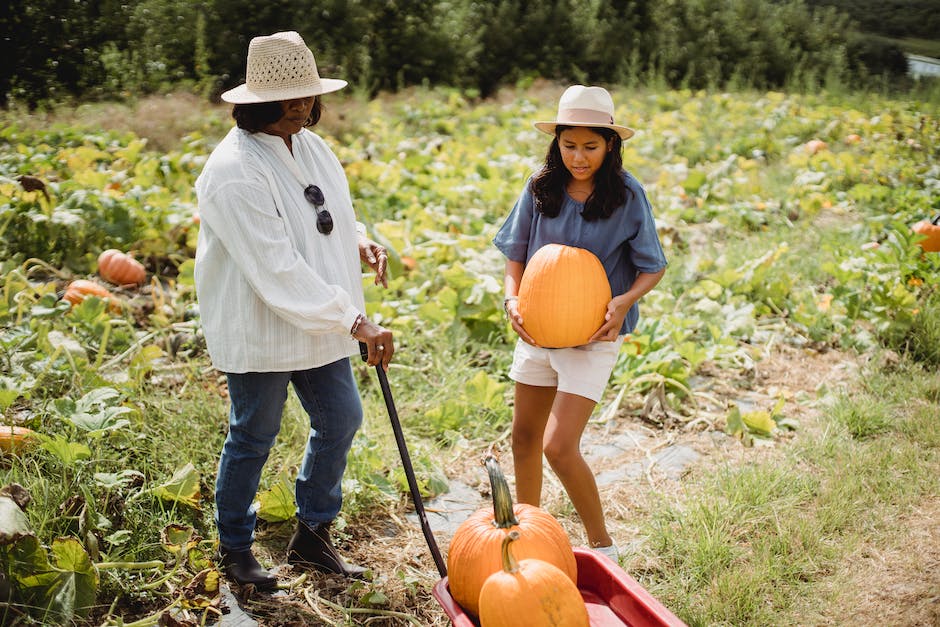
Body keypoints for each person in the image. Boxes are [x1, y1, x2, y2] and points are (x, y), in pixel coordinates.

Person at [194, 31, 394, 590]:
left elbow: (322, 209)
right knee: (255, 432)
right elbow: (275, 267)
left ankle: (312, 535)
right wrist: (355, 320)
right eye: (291, 97)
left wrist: (356, 238)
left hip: (319, 316)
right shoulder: (234, 170)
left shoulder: (308, 144)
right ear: (256, 100)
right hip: (262, 320)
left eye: (309, 94)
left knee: (341, 418)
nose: (304, 106)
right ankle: (234, 546)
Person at [493, 85, 667, 562]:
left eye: (591, 146)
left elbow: (653, 265)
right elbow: (515, 253)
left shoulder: (628, 194)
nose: (579, 156)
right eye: (569, 145)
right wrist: (511, 299)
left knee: (558, 445)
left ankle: (604, 546)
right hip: (537, 331)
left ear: (610, 144)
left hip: (592, 336)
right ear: (558, 143)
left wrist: (624, 301)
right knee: (524, 438)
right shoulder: (540, 186)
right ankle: (527, 538)